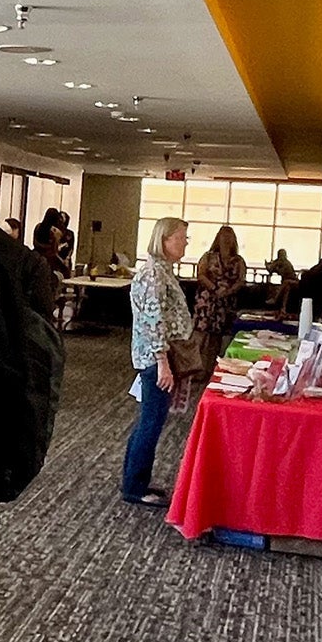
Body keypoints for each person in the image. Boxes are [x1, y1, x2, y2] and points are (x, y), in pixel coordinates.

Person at [123, 217, 191, 508]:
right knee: (151, 422)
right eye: (181, 237)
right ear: (164, 240)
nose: (185, 242)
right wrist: (162, 362)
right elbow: (154, 323)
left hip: (157, 357)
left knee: (148, 422)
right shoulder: (153, 275)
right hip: (156, 360)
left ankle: (134, 480)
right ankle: (135, 487)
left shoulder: (162, 272)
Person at [192, 225, 246, 369]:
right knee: (202, 337)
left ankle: (214, 368)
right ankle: (196, 368)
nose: (226, 240)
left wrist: (227, 291)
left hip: (226, 303)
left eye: (229, 237)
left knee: (219, 338)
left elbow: (241, 280)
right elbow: (201, 274)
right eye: (223, 237)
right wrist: (214, 288)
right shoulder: (208, 256)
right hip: (207, 301)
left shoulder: (238, 261)